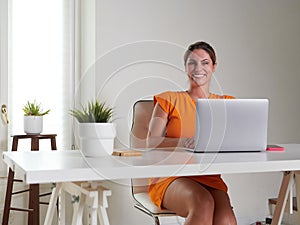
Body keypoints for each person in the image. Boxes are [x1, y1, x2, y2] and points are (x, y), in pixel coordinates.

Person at [146, 41, 237, 225]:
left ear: (214, 66)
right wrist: (183, 142)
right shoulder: (169, 99)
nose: (198, 68)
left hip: (209, 177)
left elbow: (237, 140)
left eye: (205, 62)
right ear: (185, 67)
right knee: (203, 203)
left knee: (226, 220)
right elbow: (151, 142)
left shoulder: (227, 103)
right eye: (192, 62)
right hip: (171, 176)